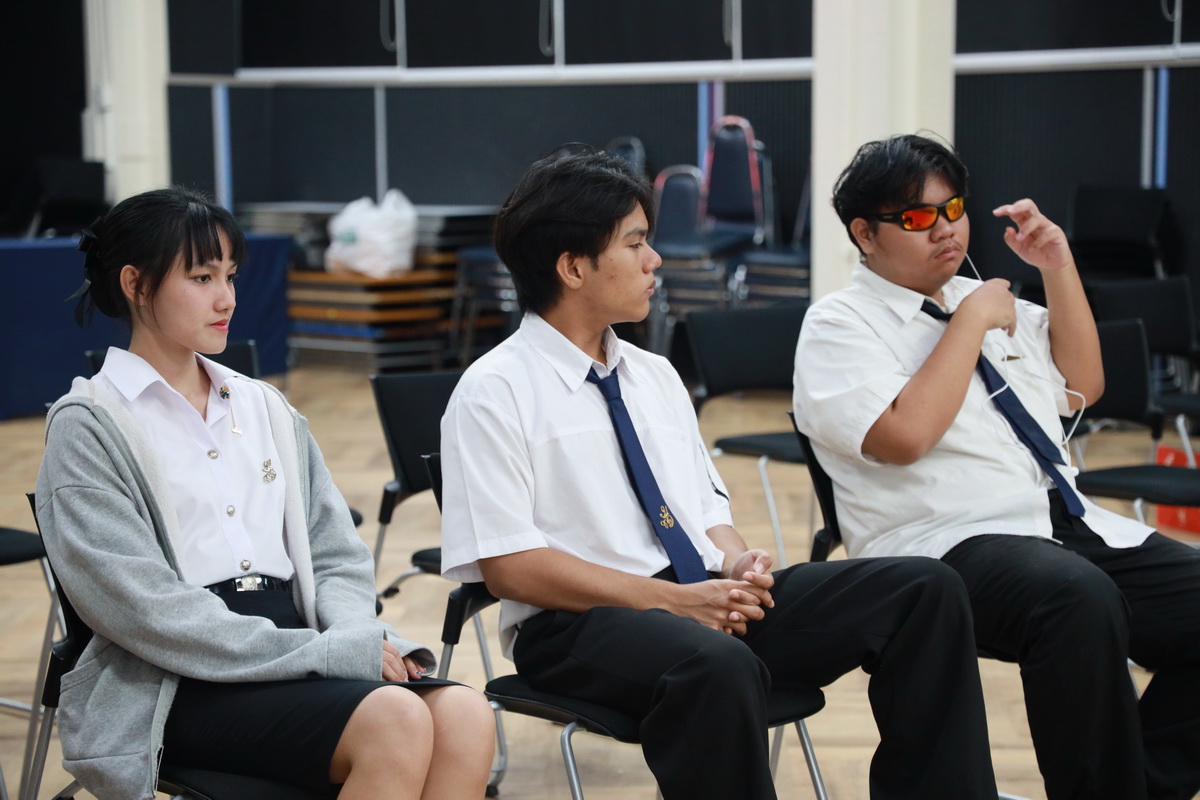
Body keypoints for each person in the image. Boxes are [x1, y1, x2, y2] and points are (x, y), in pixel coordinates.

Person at [439, 147, 999, 800]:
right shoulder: (494, 391)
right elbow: (509, 567)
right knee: (715, 662)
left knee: (924, 589)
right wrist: (674, 602)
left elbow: (703, 509)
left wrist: (736, 565)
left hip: (696, 600)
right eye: (636, 243)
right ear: (573, 266)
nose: (655, 260)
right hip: (577, 626)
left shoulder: (653, 374)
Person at [34, 187, 495, 800]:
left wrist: (350, 637)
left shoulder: (264, 406)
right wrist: (323, 654)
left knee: (464, 715)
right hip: (176, 678)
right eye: (201, 278)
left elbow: (335, 554)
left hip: (297, 644)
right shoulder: (90, 424)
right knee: (395, 719)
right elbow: (144, 609)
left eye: (230, 276)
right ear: (135, 284)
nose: (226, 298)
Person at [793, 133, 1200, 800]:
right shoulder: (840, 323)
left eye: (952, 209)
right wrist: (969, 324)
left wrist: (1057, 268)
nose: (945, 230)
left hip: (1059, 520)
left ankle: (1137, 786)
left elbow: (1083, 384)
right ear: (865, 233)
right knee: (1076, 597)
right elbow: (905, 437)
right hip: (943, 542)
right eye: (917, 217)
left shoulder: (979, 295)